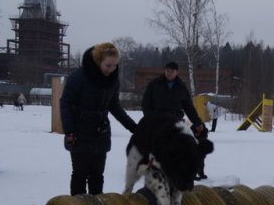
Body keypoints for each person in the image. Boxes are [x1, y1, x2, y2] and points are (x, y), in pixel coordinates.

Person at [60, 42, 137, 195]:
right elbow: (65, 104)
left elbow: (114, 106)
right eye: (108, 65)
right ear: (97, 61)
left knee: (97, 175)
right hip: (79, 133)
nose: (112, 69)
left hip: (100, 133)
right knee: (80, 174)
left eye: (115, 65)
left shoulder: (112, 80)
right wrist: (69, 131)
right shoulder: (79, 77)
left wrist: (133, 127)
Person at [141, 61, 204, 134]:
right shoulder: (155, 84)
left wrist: (197, 122)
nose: (169, 73)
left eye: (172, 71)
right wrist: (149, 118)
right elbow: (146, 103)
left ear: (176, 72)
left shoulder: (181, 87)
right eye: (167, 70)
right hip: (157, 121)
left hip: (175, 122)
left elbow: (188, 107)